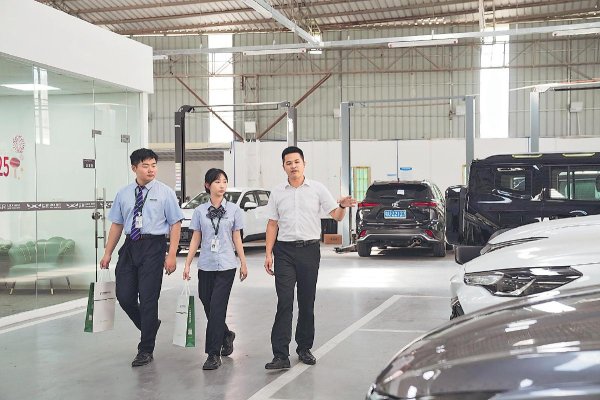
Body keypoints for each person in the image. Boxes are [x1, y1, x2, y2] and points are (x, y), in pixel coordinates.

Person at [264, 146, 356, 369]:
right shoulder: (277, 192)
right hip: (284, 252)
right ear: (283, 167)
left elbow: (336, 215)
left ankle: (304, 348)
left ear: (304, 164)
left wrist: (342, 206)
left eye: (297, 162)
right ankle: (280, 355)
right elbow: (272, 224)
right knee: (284, 302)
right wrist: (268, 253)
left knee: (306, 302)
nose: (293, 166)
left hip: (309, 251)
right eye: (288, 163)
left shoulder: (317, 189)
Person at [100, 148, 183, 367]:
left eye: (153, 165)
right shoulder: (123, 194)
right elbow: (117, 224)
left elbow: (175, 224)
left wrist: (171, 254)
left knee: (148, 299)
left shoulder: (165, 193)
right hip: (130, 246)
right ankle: (150, 326)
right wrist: (107, 253)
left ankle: (145, 349)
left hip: (154, 247)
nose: (151, 170)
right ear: (134, 168)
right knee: (125, 296)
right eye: (145, 166)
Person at [183, 168, 248, 370]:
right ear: (207, 185)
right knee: (208, 303)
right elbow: (196, 238)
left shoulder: (234, 210)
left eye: (224, 181)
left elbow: (237, 237)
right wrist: (187, 263)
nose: (222, 185)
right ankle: (226, 334)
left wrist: (243, 262)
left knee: (218, 307)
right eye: (217, 182)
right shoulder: (199, 211)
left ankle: (213, 354)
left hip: (227, 265)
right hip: (206, 265)